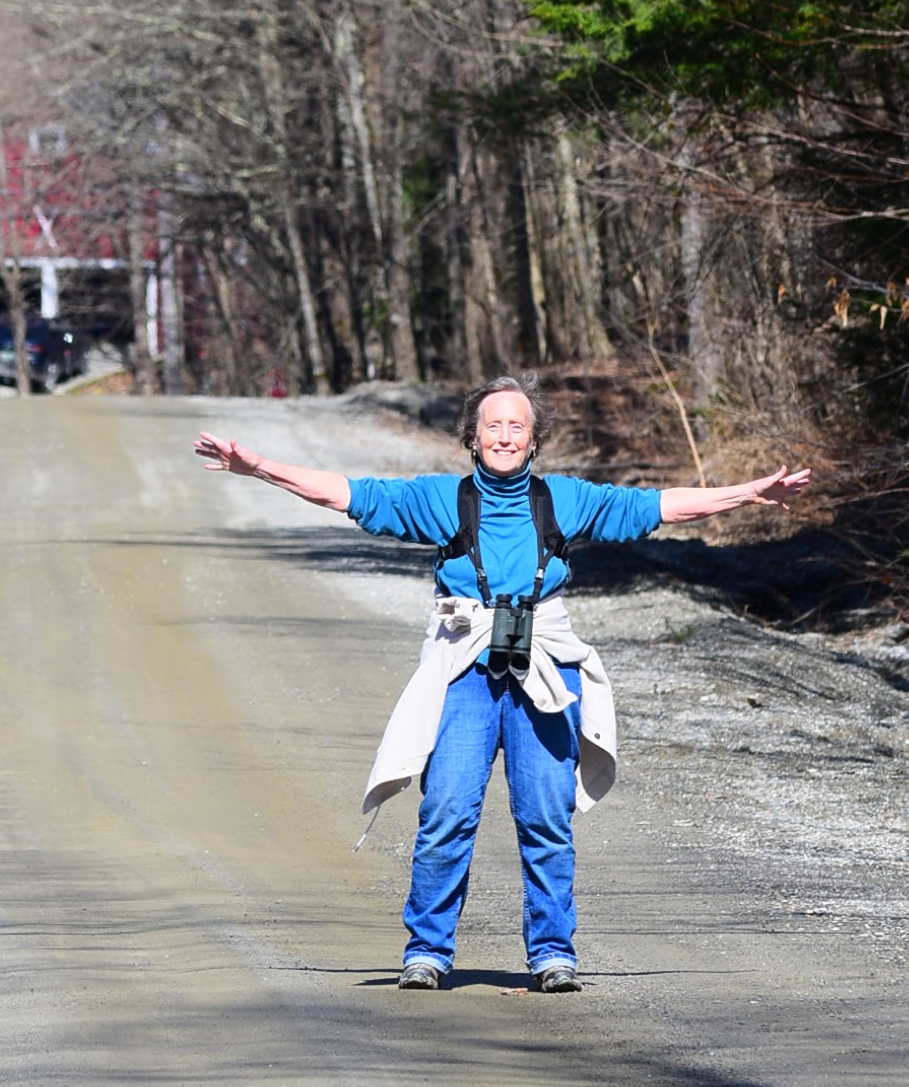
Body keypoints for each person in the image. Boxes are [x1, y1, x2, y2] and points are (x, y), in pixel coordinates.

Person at [194, 373, 810, 993]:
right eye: (493, 424)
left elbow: (660, 505)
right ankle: (427, 951)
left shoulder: (564, 501)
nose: (506, 436)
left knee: (545, 815)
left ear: (536, 440)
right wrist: (257, 468)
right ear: (472, 436)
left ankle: (552, 953)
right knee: (447, 810)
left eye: (518, 425)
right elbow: (344, 494)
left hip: (545, 667)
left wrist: (747, 493)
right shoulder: (441, 500)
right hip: (463, 670)